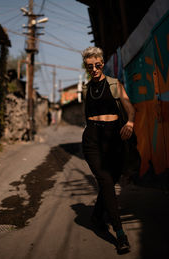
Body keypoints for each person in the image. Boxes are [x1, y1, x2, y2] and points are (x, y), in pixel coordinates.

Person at [81, 46, 135, 253]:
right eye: (89, 66)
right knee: (106, 182)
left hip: (114, 138)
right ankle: (120, 234)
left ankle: (96, 217)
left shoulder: (114, 84)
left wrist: (130, 124)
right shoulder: (86, 88)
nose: (94, 69)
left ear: (102, 64)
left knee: (109, 182)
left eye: (97, 65)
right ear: (86, 67)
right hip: (92, 140)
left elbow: (130, 108)